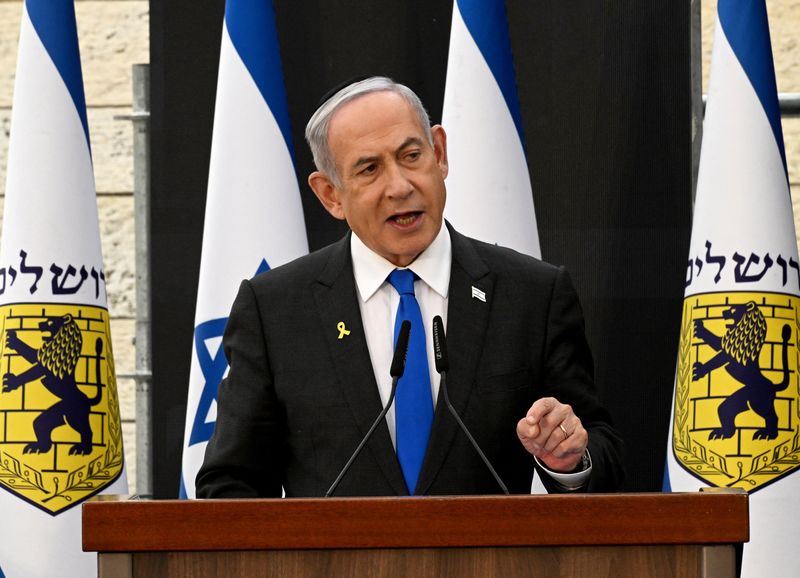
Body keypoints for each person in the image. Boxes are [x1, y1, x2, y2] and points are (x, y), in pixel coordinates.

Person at [196, 77, 623, 498]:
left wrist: (570, 460)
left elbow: (603, 454)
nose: (400, 187)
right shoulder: (275, 310)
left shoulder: (532, 295)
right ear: (330, 195)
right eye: (369, 169)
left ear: (439, 154)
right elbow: (231, 483)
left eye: (411, 155)